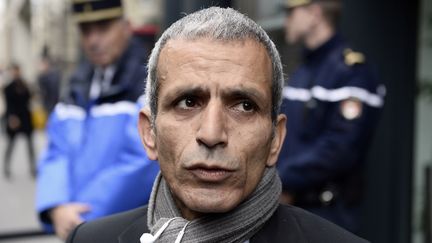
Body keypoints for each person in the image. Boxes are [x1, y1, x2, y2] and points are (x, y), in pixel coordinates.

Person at [66, 7, 368, 243]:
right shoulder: (90, 239)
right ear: (149, 133)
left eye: (244, 105)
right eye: (187, 102)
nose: (211, 134)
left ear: (275, 139)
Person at [36, 0, 159, 240]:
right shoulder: (76, 82)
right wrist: (57, 205)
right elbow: (56, 151)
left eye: (103, 27)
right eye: (86, 30)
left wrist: (79, 216)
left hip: (120, 230)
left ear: (126, 26)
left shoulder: (148, 80)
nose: (93, 40)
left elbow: (143, 159)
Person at [278, 0, 385, 232]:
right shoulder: (303, 70)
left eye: (291, 12)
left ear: (315, 13)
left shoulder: (352, 71)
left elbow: (340, 149)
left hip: (329, 215)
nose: (286, 20)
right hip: (288, 210)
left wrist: (281, 178)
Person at [2, 64, 36, 179]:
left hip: (25, 118)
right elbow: (9, 105)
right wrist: (11, 117)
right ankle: (6, 167)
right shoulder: (9, 87)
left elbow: (29, 98)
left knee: (30, 145)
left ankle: (32, 168)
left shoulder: (24, 85)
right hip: (15, 118)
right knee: (11, 145)